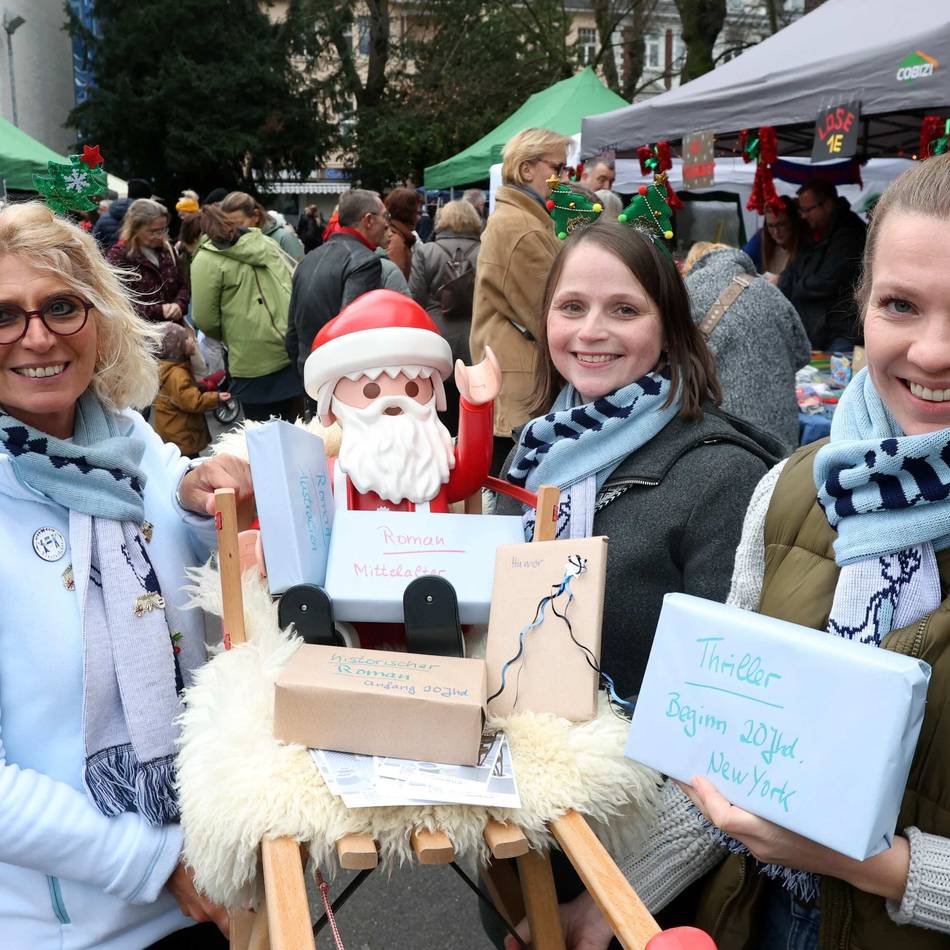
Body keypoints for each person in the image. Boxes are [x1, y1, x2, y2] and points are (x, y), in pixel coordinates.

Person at [519, 153, 950, 950]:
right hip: (756, 918)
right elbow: (724, 749)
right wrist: (609, 907)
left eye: (624, 308)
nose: (930, 352)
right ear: (862, 306)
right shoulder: (793, 490)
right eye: (901, 305)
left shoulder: (723, 470)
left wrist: (884, 867)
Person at [0, 201, 254, 948]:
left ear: (100, 319)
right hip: (74, 929)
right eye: (4, 316)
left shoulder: (129, 441)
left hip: (207, 890)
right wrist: (153, 862)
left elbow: (182, 524)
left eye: (61, 306)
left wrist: (204, 500)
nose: (37, 336)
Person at [496, 219, 781, 700]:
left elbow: (720, 686)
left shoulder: (724, 475)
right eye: (572, 307)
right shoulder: (536, 448)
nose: (591, 331)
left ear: (669, 330)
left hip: (636, 746)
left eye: (624, 310)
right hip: (514, 728)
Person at [471, 127, 573, 475]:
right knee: (518, 498)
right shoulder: (522, 228)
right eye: (558, 168)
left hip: (514, 388)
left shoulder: (521, 220)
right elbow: (551, 316)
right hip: (520, 393)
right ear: (527, 169)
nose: (563, 178)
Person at [682, 242, 811, 452]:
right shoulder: (772, 291)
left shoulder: (688, 291)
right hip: (781, 432)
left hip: (726, 433)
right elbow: (803, 354)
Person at [190, 205, 303, 423]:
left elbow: (204, 319)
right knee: (295, 424)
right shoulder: (264, 242)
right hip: (287, 345)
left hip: (249, 357)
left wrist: (229, 334)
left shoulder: (205, 260)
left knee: (260, 430)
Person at [285, 189, 387, 382]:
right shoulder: (365, 261)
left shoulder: (309, 258)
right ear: (368, 220)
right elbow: (353, 330)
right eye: (385, 216)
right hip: (343, 378)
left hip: (310, 372)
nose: (387, 223)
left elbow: (292, 331)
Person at [410, 199, 482, 435]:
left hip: (436, 338)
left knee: (439, 410)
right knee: (473, 407)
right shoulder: (485, 251)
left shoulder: (426, 251)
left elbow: (416, 298)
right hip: (476, 337)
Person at [778, 178, 867, 351]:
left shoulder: (848, 233)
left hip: (841, 331)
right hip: (819, 330)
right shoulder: (813, 232)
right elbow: (794, 268)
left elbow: (827, 281)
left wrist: (794, 284)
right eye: (801, 210)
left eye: (808, 210)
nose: (803, 216)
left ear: (827, 204)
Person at [152, 322, 229, 457]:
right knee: (190, 464)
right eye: (187, 338)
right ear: (176, 346)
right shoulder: (177, 374)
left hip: (172, 430)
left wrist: (201, 386)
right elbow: (191, 401)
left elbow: (180, 394)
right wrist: (216, 398)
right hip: (181, 434)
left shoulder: (171, 367)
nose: (192, 340)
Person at [107, 199, 189, 324]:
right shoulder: (119, 256)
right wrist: (159, 310)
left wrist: (179, 305)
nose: (160, 236)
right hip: (140, 331)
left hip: (175, 328)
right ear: (135, 228)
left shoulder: (168, 250)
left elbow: (183, 285)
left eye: (163, 229)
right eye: (154, 231)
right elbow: (118, 300)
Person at [219, 191, 305, 262]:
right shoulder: (230, 241)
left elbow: (300, 273)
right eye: (228, 224)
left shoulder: (284, 238)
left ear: (256, 216)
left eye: (239, 224)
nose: (233, 230)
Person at [741, 194, 804, 277]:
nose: (776, 231)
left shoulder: (805, 248)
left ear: (793, 222)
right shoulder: (761, 239)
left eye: (781, 224)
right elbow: (741, 258)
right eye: (771, 226)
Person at [384, 187, 422, 281]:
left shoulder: (401, 237)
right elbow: (395, 283)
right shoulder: (397, 242)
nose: (419, 218)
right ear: (408, 214)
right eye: (417, 212)